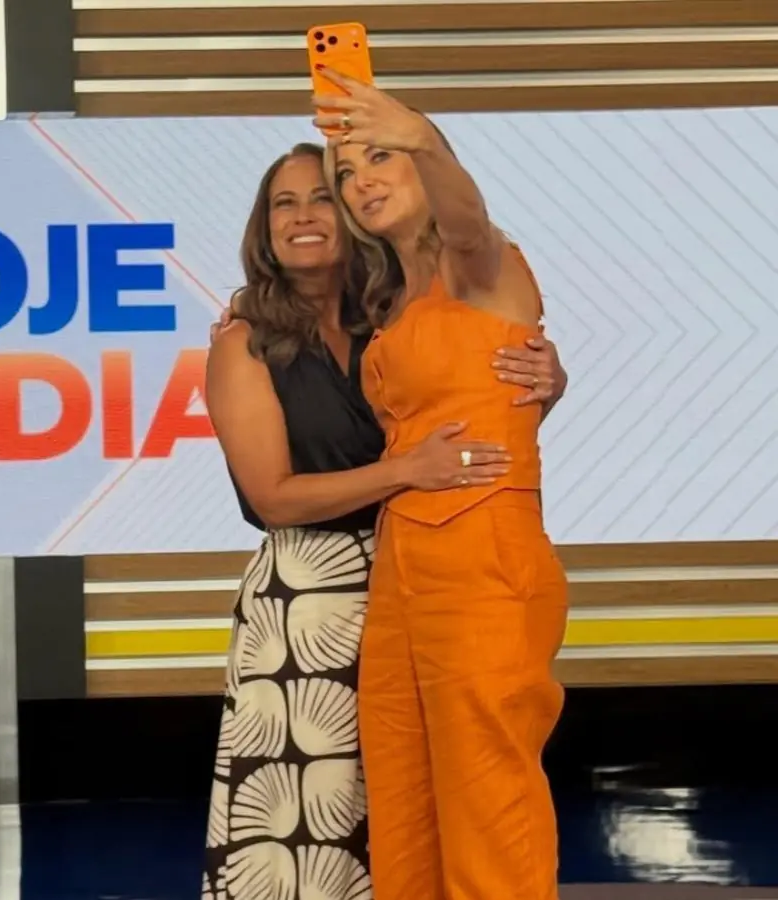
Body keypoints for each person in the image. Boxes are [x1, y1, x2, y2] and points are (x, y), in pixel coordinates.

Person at [201, 142, 567, 900]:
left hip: (414, 576)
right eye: (284, 203)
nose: (305, 215)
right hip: (306, 608)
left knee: (413, 810)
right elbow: (273, 497)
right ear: (262, 229)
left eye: (323, 195)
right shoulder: (243, 340)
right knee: (301, 826)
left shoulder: (393, 318)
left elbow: (465, 411)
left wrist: (546, 381)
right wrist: (405, 472)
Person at [314, 69, 570, 899]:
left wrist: (419, 133)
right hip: (405, 563)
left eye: (380, 156)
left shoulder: (479, 263)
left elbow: (467, 221)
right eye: (347, 172)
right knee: (404, 795)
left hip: (483, 556)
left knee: (487, 794)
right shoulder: (392, 299)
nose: (361, 181)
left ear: (429, 161)